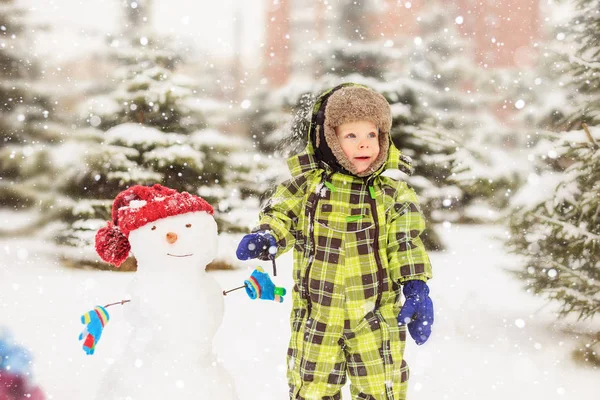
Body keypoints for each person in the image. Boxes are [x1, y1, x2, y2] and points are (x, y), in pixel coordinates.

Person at [236, 83, 434, 400]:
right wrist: (268, 235)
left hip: (376, 317)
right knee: (312, 389)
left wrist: (415, 285)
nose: (364, 144)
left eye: (372, 135)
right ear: (330, 139)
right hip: (317, 317)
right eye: (351, 136)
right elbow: (282, 214)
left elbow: (405, 242)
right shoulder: (306, 186)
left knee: (381, 387)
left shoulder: (392, 193)